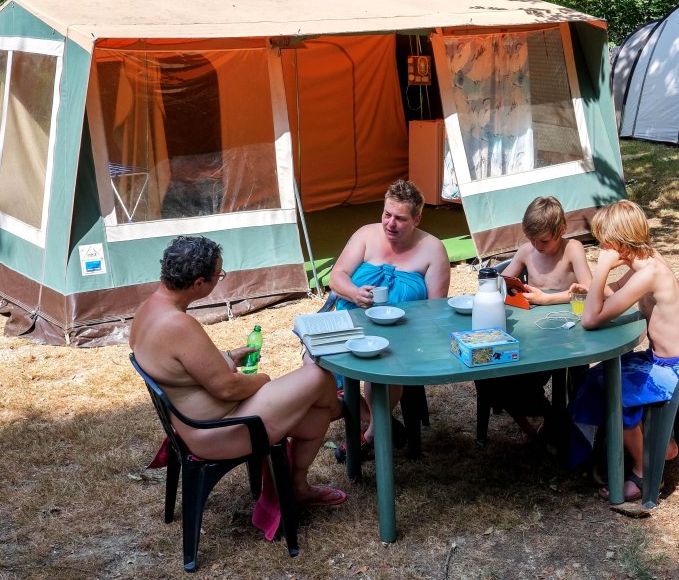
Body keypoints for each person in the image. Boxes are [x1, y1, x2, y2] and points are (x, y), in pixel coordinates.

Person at [130, 235, 346, 507]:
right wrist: (263, 380)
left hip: (201, 422)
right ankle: (344, 409)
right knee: (317, 375)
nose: (220, 279)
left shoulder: (148, 310)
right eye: (218, 276)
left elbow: (179, 363)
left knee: (316, 417)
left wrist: (229, 356)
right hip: (217, 431)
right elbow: (227, 388)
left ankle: (298, 488)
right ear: (199, 283)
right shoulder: (178, 324)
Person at [569, 200, 679, 501]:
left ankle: (645, 470)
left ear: (618, 245)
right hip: (665, 363)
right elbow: (615, 292)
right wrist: (594, 288)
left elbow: (591, 319)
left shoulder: (650, 272)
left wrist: (601, 269)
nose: (601, 249)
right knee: (595, 379)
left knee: (615, 391)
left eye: (603, 244)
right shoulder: (645, 262)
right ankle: (641, 447)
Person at [327, 179, 451, 459]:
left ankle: (369, 437)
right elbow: (336, 277)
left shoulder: (433, 249)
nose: (390, 223)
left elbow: (437, 309)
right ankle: (381, 421)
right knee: (313, 365)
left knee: (384, 369)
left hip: (402, 333)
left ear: (417, 218)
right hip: (351, 322)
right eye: (386, 214)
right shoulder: (366, 235)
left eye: (400, 218)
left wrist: (412, 328)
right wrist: (355, 293)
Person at [487, 196, 594, 442]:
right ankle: (553, 417)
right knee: (511, 379)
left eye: (544, 240)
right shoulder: (527, 251)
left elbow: (588, 289)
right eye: (531, 239)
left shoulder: (572, 249)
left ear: (562, 230)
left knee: (581, 382)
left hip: (570, 333)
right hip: (535, 333)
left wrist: (547, 299)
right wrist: (503, 287)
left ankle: (572, 422)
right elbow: (500, 284)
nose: (537, 245)